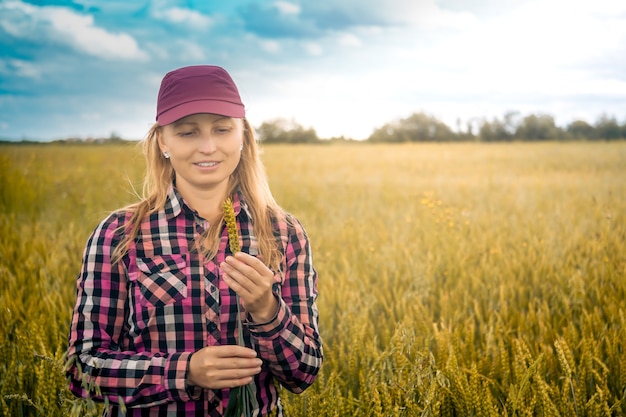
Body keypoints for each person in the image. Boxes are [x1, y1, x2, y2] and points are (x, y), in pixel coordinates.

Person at [66, 65, 323, 416]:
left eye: (222, 129)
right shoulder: (118, 235)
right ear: (163, 141)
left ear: (243, 136)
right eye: (187, 133)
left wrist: (267, 310)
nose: (208, 147)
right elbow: (82, 368)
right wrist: (185, 371)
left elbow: (303, 374)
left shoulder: (284, 233)